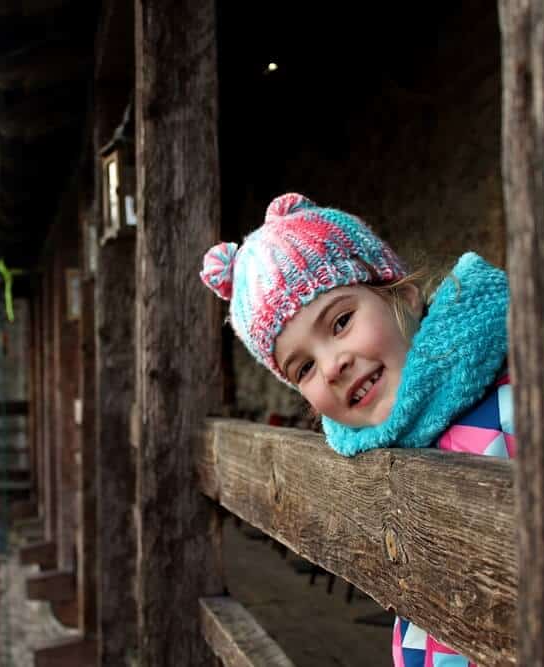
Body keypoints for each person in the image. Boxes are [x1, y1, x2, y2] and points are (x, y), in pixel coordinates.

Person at [200, 192, 513, 667]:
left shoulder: (517, 388)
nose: (332, 366)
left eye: (341, 321)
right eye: (303, 368)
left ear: (401, 297)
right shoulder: (372, 453)